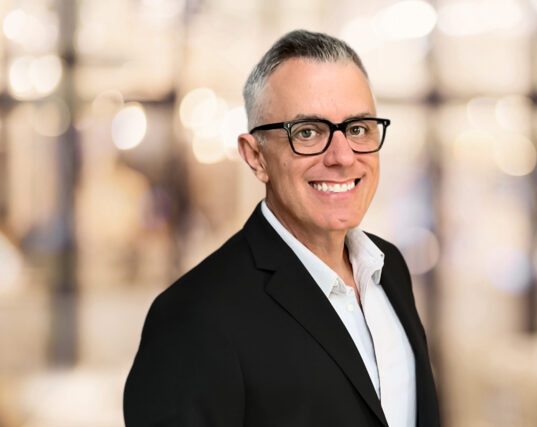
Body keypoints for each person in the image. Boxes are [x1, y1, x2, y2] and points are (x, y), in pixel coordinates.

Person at [124, 29, 440, 427]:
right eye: (307, 132)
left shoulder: (389, 268)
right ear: (256, 157)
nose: (343, 156)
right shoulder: (193, 317)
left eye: (358, 129)